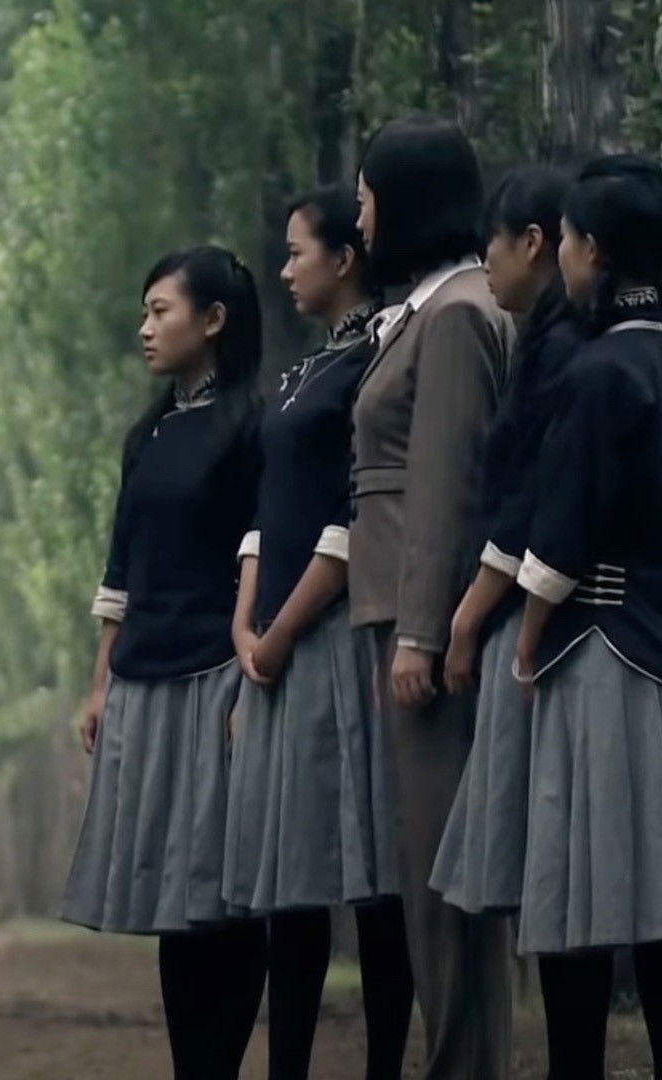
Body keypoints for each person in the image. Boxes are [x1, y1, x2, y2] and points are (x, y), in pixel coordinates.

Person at [61, 245, 267, 1079]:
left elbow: (262, 555)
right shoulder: (146, 436)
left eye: (160, 311)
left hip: (219, 679)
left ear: (213, 321)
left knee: (223, 893)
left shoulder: (253, 427)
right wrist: (100, 681)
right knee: (174, 901)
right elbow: (122, 571)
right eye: (143, 313)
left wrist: (252, 676)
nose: (144, 328)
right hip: (144, 682)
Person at [222, 186, 414, 1080]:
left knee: (371, 881)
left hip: (335, 636)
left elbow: (352, 515)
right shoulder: (302, 372)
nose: (286, 268)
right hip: (275, 644)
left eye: (299, 252)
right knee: (291, 883)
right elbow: (271, 508)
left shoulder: (379, 356)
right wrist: (246, 622)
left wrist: (283, 630)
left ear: (345, 258)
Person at [350, 114, 516, 1078]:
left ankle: (468, 1062)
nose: (360, 220)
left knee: (445, 877)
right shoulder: (431, 309)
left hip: (428, 629)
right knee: (426, 872)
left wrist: (419, 632)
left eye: (368, 198)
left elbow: (445, 486)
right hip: (398, 615)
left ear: (406, 202)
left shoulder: (455, 313)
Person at [513, 152, 662, 1078]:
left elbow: (562, 528)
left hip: (605, 650)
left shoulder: (601, 370)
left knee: (581, 900)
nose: (562, 257)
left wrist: (527, 644)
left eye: (567, 240)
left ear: (594, 250)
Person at [429, 166, 581, 925]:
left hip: (539, 617)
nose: (484, 259)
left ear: (533, 243)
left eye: (492, 241)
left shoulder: (565, 350)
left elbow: (530, 497)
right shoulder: (542, 342)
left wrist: (467, 618)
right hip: (525, 607)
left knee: (550, 854)